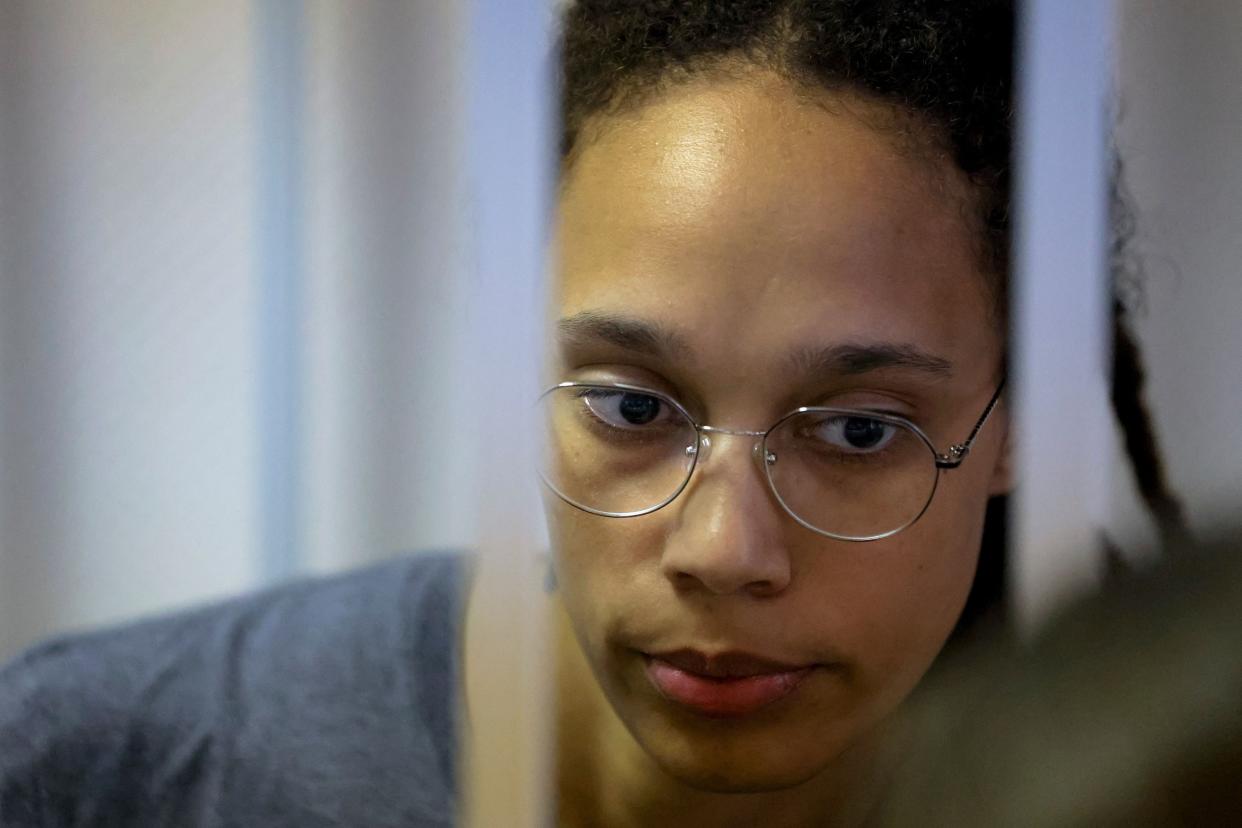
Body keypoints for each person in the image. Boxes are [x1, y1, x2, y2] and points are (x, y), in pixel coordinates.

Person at [0, 1, 1185, 826]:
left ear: (1021, 416)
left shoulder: (1169, 789)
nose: (723, 553)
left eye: (859, 430)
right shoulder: (93, 768)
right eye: (629, 406)